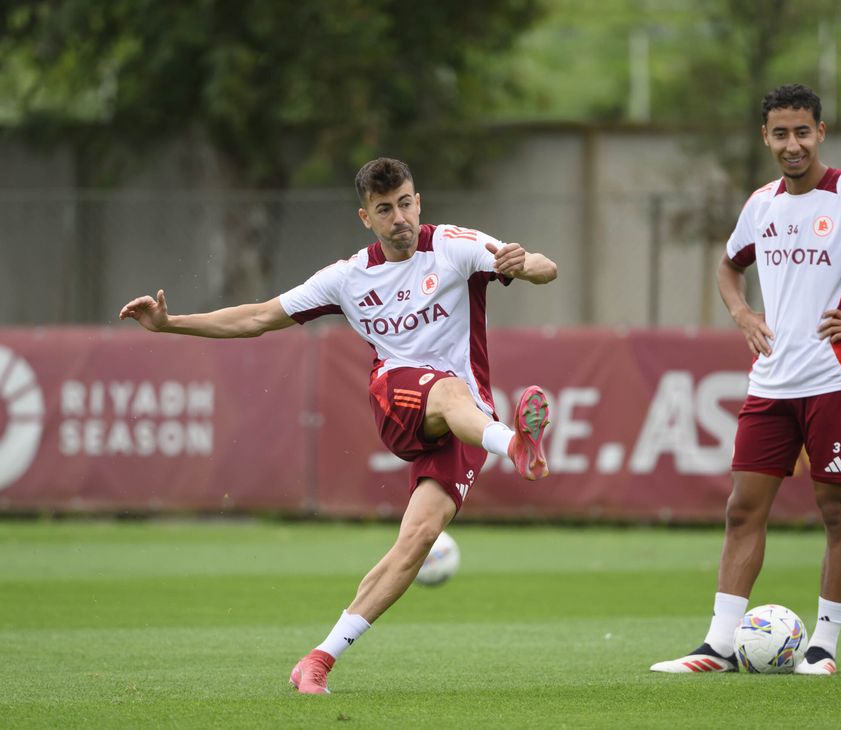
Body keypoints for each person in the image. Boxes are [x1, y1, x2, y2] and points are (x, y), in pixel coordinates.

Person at [119, 157, 558, 694]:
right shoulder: (348, 278)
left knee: (417, 541)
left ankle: (318, 659)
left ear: (418, 201)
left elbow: (543, 266)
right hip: (399, 399)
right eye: (384, 209)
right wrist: (170, 325)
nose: (398, 217)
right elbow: (258, 316)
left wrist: (525, 264)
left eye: (405, 203)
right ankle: (515, 444)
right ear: (364, 218)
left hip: (464, 421)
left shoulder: (457, 246)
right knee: (448, 390)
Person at [650, 84, 841, 676]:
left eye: (802, 132)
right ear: (766, 137)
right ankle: (719, 646)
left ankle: (824, 648)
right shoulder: (761, 204)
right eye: (780, 134)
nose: (792, 145)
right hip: (771, 384)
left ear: (821, 132)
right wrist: (741, 314)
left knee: (836, 513)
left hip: (836, 381)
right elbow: (729, 268)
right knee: (741, 511)